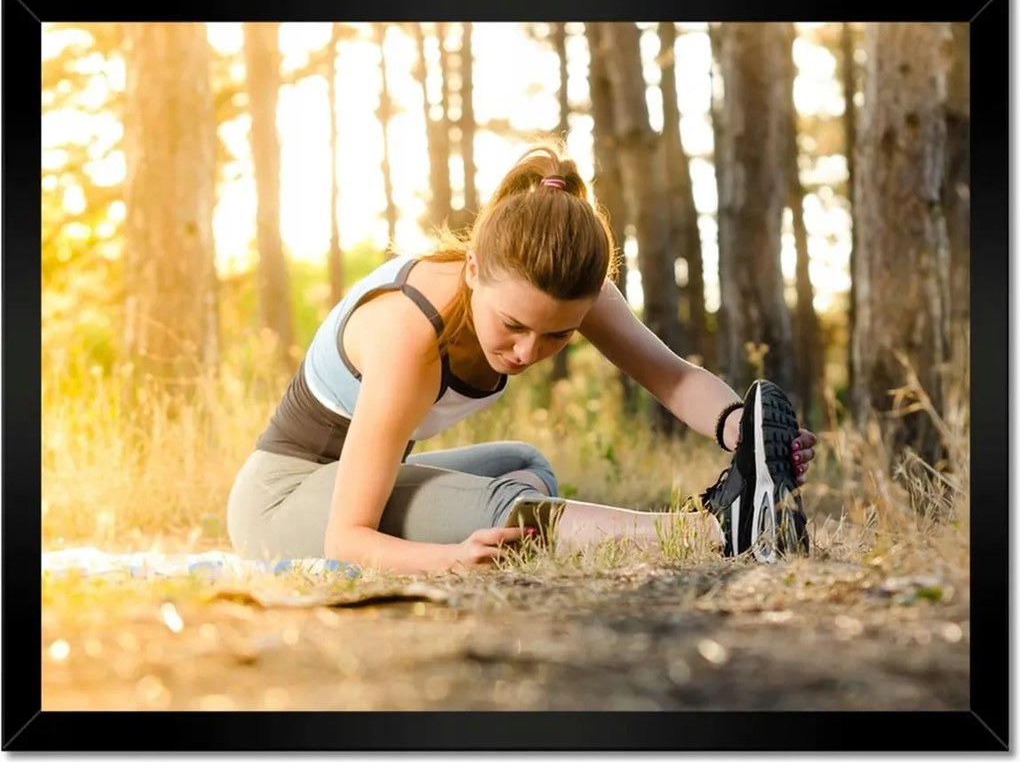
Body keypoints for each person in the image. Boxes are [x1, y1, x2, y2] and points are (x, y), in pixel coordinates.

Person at [226, 144, 818, 574]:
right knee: (506, 511)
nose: (529, 351)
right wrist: (446, 558)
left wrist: (744, 432)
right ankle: (713, 533)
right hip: (281, 504)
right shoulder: (409, 332)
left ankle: (740, 513)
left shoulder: (560, 287)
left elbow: (675, 377)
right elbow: (346, 538)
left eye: (557, 336)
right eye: (513, 325)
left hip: (357, 485)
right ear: (474, 270)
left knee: (524, 463)